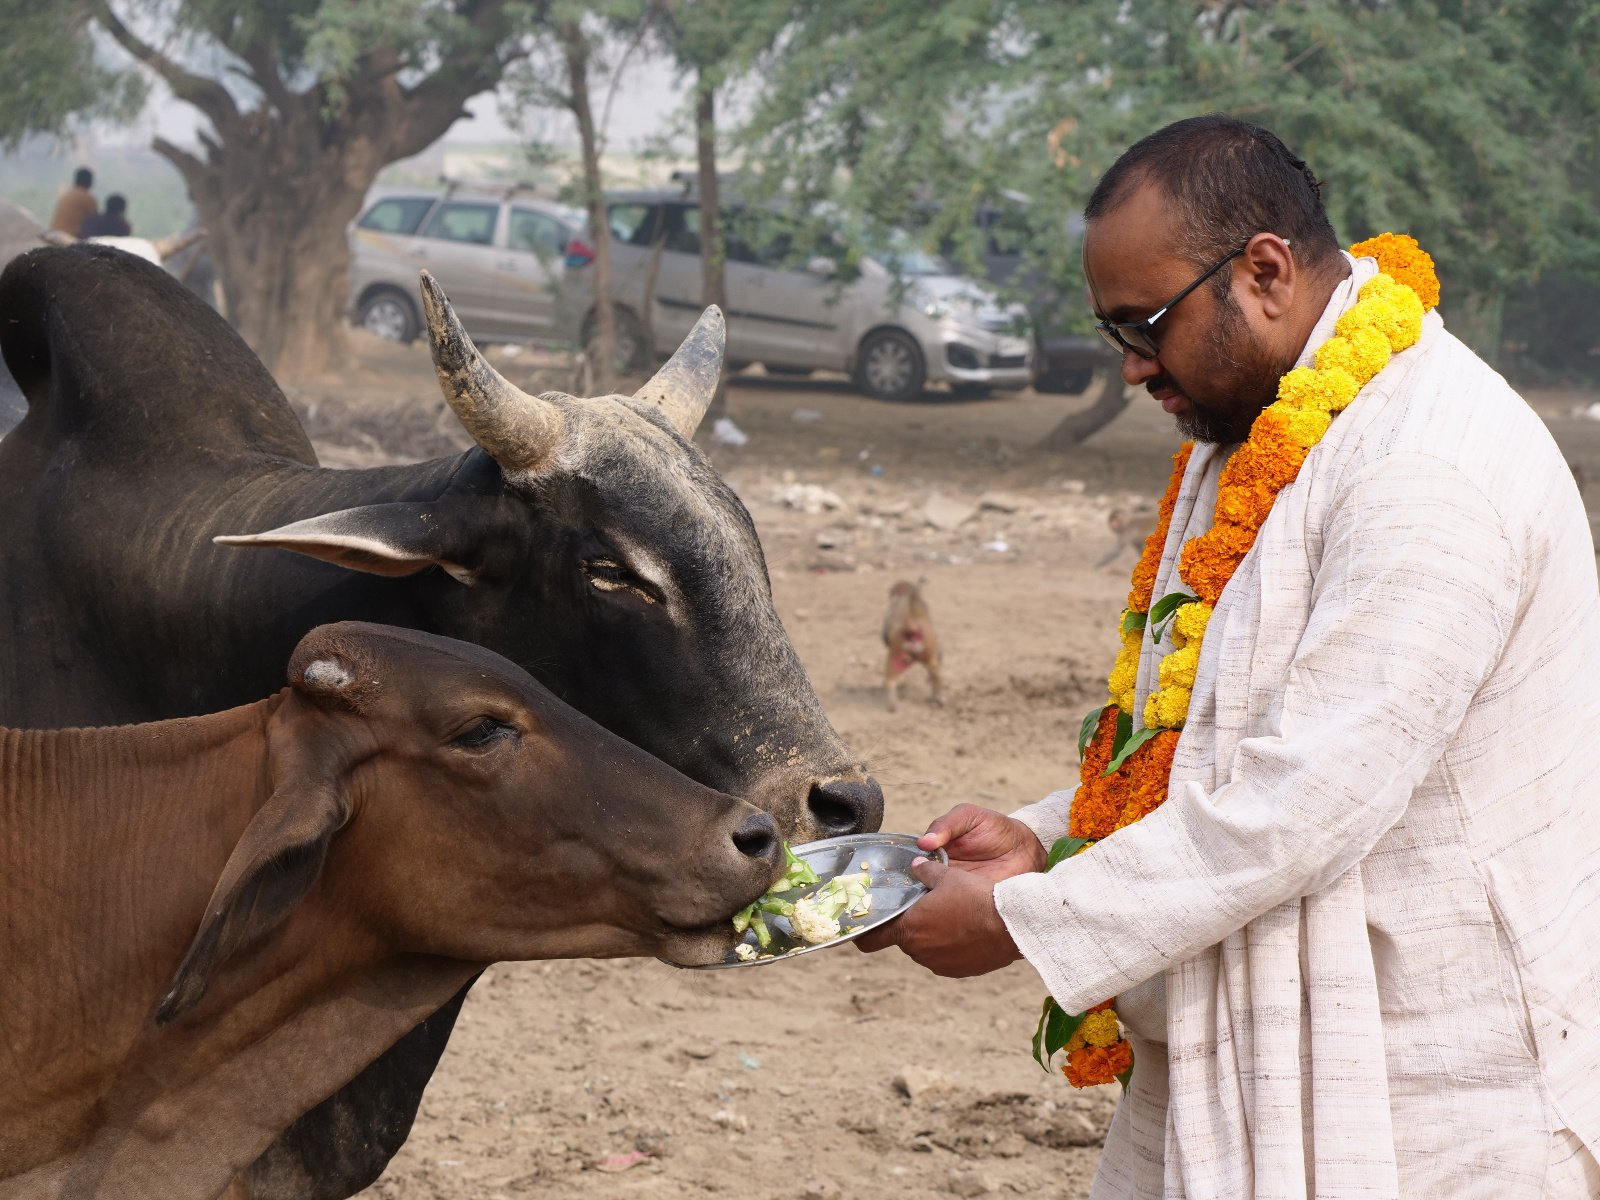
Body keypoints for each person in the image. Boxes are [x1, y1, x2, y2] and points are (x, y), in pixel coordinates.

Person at [858, 114, 1600, 1199]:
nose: (1128, 367)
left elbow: (1304, 796)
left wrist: (1029, 918)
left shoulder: (1427, 467)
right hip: (1258, 1063)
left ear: (1263, 271)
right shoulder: (1261, 424)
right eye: (1112, 331)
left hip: (1434, 1109)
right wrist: (1050, 831)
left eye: (1143, 324)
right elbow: (1215, 731)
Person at [49, 167, 97, 237]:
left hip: (54, 234)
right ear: (89, 182)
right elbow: (94, 222)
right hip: (71, 237)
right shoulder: (87, 198)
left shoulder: (66, 194)